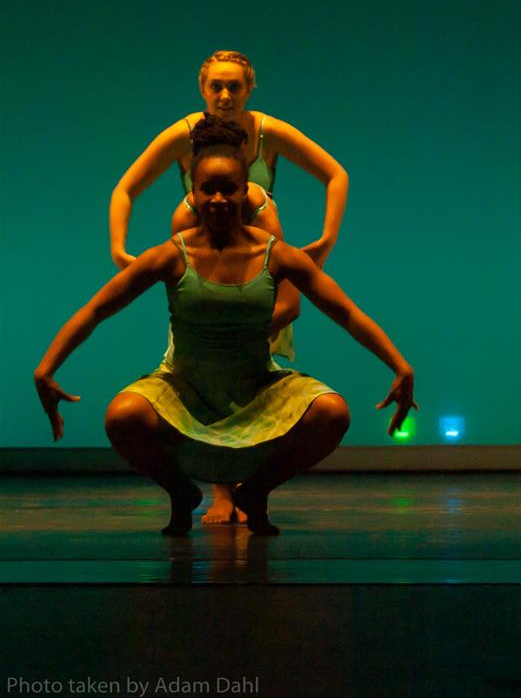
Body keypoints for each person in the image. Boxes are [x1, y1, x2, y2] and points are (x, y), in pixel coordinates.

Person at [36, 119, 416, 537]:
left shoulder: (276, 255)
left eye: (229, 189)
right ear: (193, 195)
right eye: (208, 190)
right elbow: (96, 309)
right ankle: (183, 494)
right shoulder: (171, 255)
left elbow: (347, 313)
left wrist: (400, 367)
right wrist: (47, 368)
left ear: (244, 191)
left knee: (331, 412)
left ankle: (254, 493)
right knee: (123, 417)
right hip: (184, 389)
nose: (218, 199)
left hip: (256, 387)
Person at [109, 49, 349, 523]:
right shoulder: (185, 137)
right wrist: (120, 250)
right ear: (202, 88)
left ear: (249, 88)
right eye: (215, 86)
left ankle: (253, 490)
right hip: (206, 275)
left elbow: (334, 173)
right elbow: (126, 188)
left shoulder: (266, 134)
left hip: (258, 267)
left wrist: (326, 237)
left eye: (234, 86)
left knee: (261, 386)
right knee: (208, 382)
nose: (224, 95)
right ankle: (222, 496)